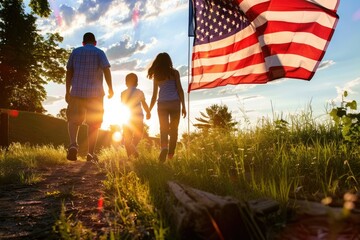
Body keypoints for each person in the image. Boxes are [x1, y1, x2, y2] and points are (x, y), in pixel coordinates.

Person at [65, 32, 113, 162]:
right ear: (95, 42)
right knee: (94, 124)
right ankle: (90, 154)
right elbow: (106, 69)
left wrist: (67, 91)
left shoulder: (75, 52)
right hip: (95, 95)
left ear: (83, 43)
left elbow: (69, 72)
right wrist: (110, 87)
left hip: (77, 92)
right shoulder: (99, 52)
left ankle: (73, 145)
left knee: (73, 120)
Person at [148, 52, 186, 162]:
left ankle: (164, 147)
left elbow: (154, 95)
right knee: (174, 129)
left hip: (162, 104)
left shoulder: (156, 75)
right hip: (175, 104)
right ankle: (170, 154)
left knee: (163, 128)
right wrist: (183, 106)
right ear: (169, 61)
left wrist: (149, 110)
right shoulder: (174, 73)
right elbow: (180, 89)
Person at [121, 73, 150, 158]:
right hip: (138, 116)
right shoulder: (140, 92)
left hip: (127, 116)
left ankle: (129, 157)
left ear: (126, 83)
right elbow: (144, 103)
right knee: (139, 134)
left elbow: (123, 104)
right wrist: (148, 112)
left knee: (127, 137)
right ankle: (133, 145)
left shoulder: (123, 93)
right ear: (137, 83)